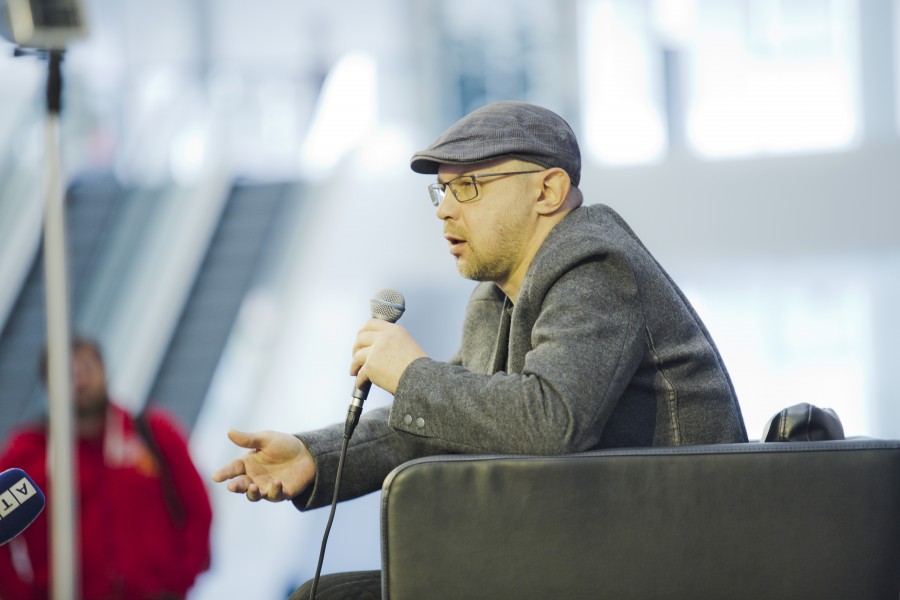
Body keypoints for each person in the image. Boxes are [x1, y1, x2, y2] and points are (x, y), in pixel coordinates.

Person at [212, 101, 748, 598]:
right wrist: (315, 456)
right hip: (591, 551)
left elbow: (552, 419)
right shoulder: (497, 297)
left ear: (548, 191)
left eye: (468, 186)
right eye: (442, 191)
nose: (444, 210)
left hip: (666, 559)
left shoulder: (595, 267)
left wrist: (412, 372)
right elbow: (441, 422)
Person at [0, 336, 213, 600]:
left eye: (86, 369)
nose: (79, 381)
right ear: (49, 387)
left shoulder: (152, 433)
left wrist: (180, 579)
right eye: (67, 375)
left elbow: (198, 508)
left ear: (104, 370)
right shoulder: (28, 453)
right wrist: (19, 595)